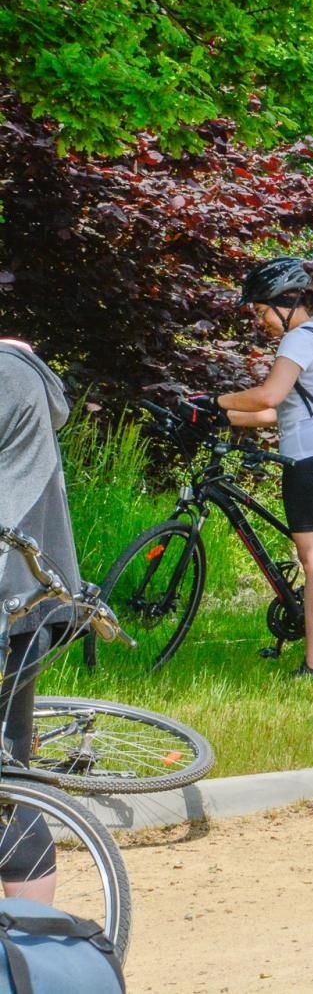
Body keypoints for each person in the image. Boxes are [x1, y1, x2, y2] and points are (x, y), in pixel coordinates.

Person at [179, 256, 313, 677]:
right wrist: (219, 417)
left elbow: (268, 396)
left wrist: (214, 399)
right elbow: (280, 414)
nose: (261, 322)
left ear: (285, 303)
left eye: (261, 311)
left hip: (310, 464)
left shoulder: (297, 339)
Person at [0, 337, 78, 903]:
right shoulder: (20, 372)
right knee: (11, 770)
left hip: (11, 595)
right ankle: (30, 949)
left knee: (9, 775)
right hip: (34, 595)